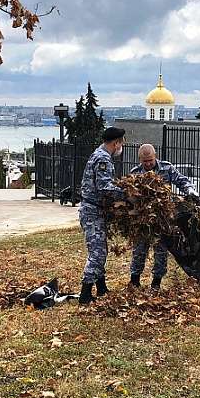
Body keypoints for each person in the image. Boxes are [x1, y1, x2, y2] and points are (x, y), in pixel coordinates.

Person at [129, 144, 200, 289]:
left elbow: (181, 180)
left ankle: (156, 283)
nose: (148, 164)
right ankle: (134, 281)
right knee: (139, 250)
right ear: (140, 159)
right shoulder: (135, 173)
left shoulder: (166, 168)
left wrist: (190, 190)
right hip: (143, 219)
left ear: (155, 156)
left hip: (162, 218)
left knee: (161, 251)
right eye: (145, 161)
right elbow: (130, 194)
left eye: (150, 160)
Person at [78, 127, 126, 304]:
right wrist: (126, 194)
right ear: (116, 143)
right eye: (121, 142)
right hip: (93, 211)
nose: (121, 147)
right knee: (97, 253)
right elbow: (105, 187)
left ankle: (101, 287)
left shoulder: (99, 154)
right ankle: (85, 293)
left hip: (95, 210)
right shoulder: (103, 158)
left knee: (100, 250)